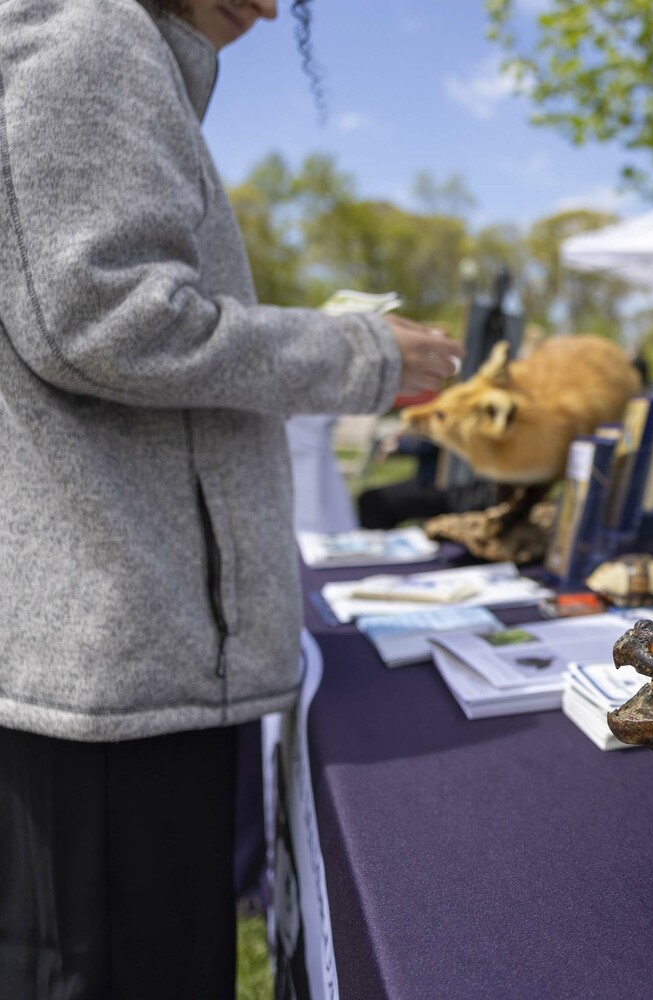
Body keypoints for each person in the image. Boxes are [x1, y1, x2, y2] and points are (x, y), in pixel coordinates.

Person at [0, 1, 463, 996]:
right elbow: (105, 318)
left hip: (126, 651)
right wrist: (364, 354)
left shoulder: (118, 49)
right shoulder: (90, 33)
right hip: (120, 660)